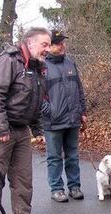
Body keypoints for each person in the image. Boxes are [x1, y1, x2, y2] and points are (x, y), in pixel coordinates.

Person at [0, 27, 51, 214]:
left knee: (23, 179)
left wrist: (38, 129)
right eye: (44, 44)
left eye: (49, 45)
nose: (47, 49)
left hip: (21, 130)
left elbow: (36, 101)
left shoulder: (38, 67)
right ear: (30, 43)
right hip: (0, 129)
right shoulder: (9, 61)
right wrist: (1, 128)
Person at [42, 30, 87, 203]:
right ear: (49, 46)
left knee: (73, 155)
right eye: (58, 43)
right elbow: (37, 96)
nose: (62, 46)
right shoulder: (42, 66)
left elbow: (79, 89)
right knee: (54, 157)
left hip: (73, 118)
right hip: (53, 121)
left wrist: (82, 112)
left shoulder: (70, 63)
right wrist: (50, 111)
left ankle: (74, 186)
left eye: (63, 43)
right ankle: (57, 189)